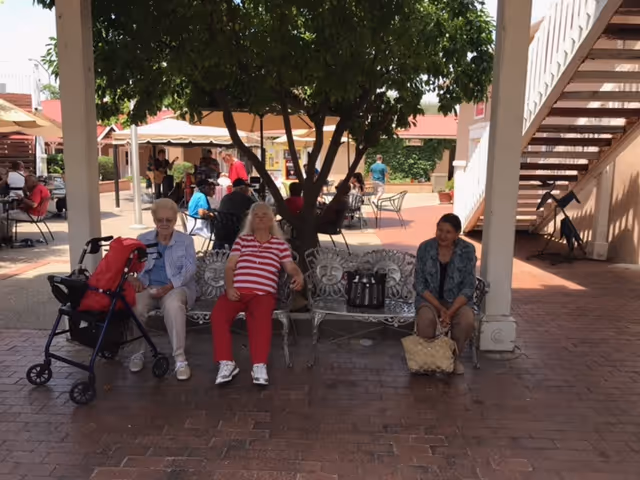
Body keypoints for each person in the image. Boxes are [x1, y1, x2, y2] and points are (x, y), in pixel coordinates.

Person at [211, 202, 304, 386]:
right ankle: (226, 362)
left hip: (263, 293)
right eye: (256, 215)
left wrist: (299, 275)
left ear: (271, 220)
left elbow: (290, 266)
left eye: (264, 215)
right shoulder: (242, 241)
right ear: (251, 220)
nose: (260, 217)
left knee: (260, 320)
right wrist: (229, 288)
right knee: (218, 316)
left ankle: (259, 365)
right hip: (237, 290)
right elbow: (230, 266)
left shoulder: (279, 245)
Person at [128, 198, 197, 381]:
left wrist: (168, 287)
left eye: (169, 220)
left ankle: (180, 359)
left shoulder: (185, 241)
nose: (164, 224)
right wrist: (133, 279)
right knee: (136, 306)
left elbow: (190, 270)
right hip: (148, 286)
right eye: (160, 220)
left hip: (176, 286)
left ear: (175, 220)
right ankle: (138, 352)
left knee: (174, 306)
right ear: (154, 220)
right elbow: (131, 266)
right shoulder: (142, 240)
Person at [413, 213, 477, 375]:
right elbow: (419, 284)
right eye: (439, 230)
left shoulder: (467, 250)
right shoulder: (425, 248)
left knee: (466, 320)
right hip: (429, 299)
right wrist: (440, 308)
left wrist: (450, 311)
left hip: (457, 301)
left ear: (456, 234)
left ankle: (453, 358)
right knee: (426, 318)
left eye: (448, 232)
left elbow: (469, 286)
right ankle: (428, 359)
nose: (442, 235)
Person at [213, 178, 256, 249]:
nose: (248, 190)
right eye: (247, 188)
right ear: (241, 189)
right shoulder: (246, 198)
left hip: (219, 231)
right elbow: (257, 209)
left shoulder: (225, 197)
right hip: (237, 232)